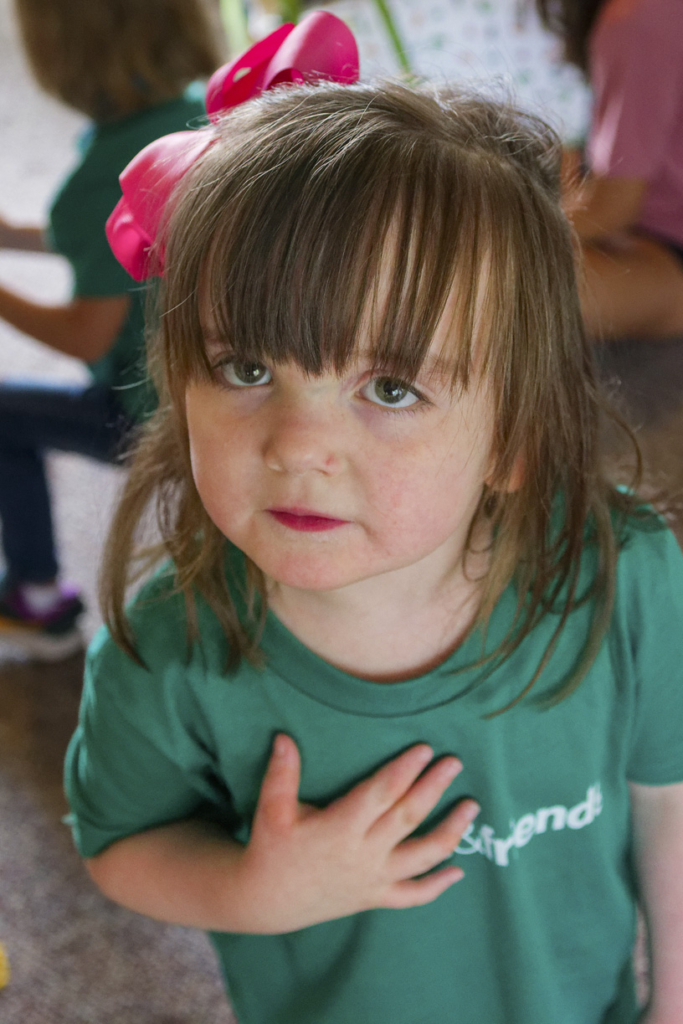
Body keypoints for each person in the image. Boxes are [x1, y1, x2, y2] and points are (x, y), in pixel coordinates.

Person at [64, 18, 683, 1024]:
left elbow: (670, 796)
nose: (296, 442)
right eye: (247, 368)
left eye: (390, 387)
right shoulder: (170, 650)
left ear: (513, 438)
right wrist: (257, 890)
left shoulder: (624, 575)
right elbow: (118, 847)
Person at [0, 0, 223, 659]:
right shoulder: (200, 112)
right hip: (218, 372)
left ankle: (37, 601)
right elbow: (126, 238)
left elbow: (85, 336)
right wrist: (11, 236)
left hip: (157, 414)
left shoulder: (98, 179)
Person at [536, 0, 683, 341]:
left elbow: (614, 209)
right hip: (644, 235)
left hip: (664, 254)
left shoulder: (637, 18)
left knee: (504, 283)